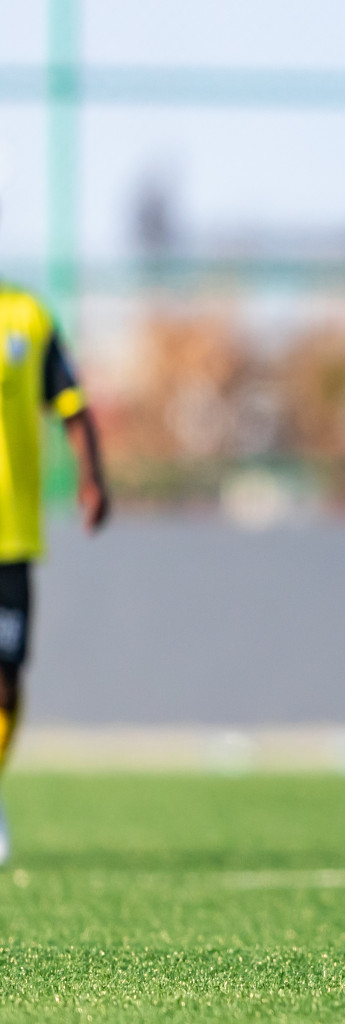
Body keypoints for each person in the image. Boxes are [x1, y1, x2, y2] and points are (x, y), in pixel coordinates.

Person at [0, 279, 111, 862]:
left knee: (6, 681)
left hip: (10, 536)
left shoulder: (27, 319)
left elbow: (72, 404)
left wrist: (91, 478)